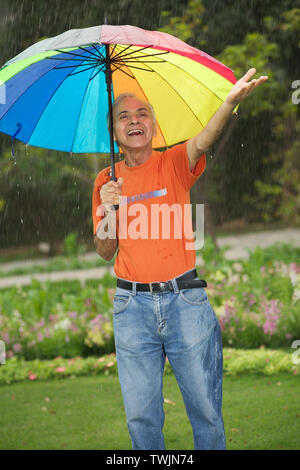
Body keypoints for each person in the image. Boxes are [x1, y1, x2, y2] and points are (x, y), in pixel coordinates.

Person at [92, 68, 268, 450]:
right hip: (131, 307)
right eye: (123, 117)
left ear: (154, 126)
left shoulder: (173, 162)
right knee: (141, 416)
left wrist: (229, 103)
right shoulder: (106, 180)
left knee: (205, 409)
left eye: (141, 114)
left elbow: (205, 138)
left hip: (184, 301)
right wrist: (109, 211)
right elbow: (106, 252)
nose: (133, 121)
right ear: (114, 132)